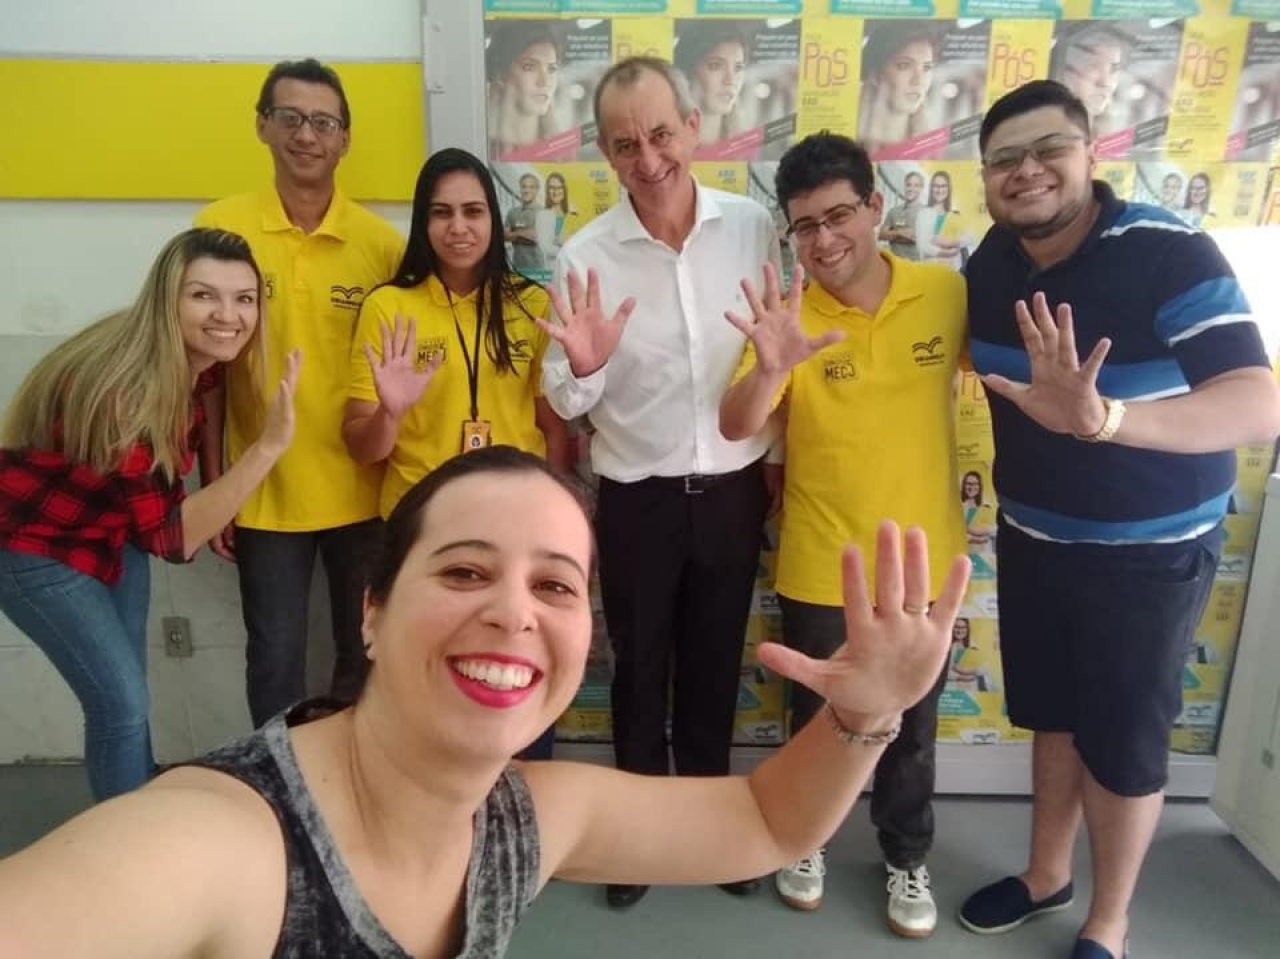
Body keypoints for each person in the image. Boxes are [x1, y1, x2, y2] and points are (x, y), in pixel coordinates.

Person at [0, 445, 970, 958]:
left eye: (554, 584)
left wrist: (864, 714)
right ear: (372, 609)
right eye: (464, 569)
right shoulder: (226, 839)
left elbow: (763, 821)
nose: (513, 612)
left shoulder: (520, 820)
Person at [959, 80, 1280, 959]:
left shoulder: (1167, 252)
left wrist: (1105, 420)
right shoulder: (992, 261)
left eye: (1047, 148)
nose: (1027, 171)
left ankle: (1110, 921)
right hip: (1034, 539)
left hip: (1150, 556)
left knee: (1125, 745)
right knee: (1054, 718)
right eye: (1004, 159)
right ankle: (1044, 875)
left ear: (1091, 153)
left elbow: (1257, 404)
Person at [539, 56, 781, 909]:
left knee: (715, 669)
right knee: (639, 674)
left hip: (734, 490)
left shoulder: (752, 227)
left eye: (661, 134)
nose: (647, 159)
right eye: (624, 144)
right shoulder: (585, 255)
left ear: (694, 127)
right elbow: (564, 400)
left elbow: (777, 351)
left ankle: (714, 835)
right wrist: (584, 367)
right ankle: (636, 840)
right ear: (605, 152)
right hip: (637, 499)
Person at [719, 132, 967, 938]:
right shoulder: (787, 317)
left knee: (912, 730)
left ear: (874, 207)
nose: (823, 241)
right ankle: (805, 840)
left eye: (837, 216)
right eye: (804, 226)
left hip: (924, 567)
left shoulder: (945, 294)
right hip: (822, 561)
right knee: (817, 722)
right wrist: (768, 368)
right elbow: (736, 424)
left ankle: (906, 854)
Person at [0, 228, 299, 801]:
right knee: (121, 704)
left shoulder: (190, 357)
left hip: (110, 537)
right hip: (36, 551)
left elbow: (210, 389)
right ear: (167, 298)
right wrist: (266, 448)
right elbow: (172, 539)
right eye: (204, 295)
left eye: (244, 298)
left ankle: (136, 806)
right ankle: (127, 835)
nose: (228, 316)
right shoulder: (128, 392)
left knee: (127, 694)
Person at [195, 59, 404, 729]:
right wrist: (216, 484)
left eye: (323, 122)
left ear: (345, 138)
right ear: (262, 126)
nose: (306, 135)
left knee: (365, 656)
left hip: (364, 491)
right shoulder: (222, 231)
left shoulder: (382, 247)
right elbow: (205, 375)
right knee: (274, 661)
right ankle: (275, 779)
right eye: (289, 118)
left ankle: (354, 776)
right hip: (264, 494)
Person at [858, 23, 938, 155]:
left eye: (927, 67)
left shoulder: (933, 150)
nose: (919, 81)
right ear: (876, 75)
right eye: (904, 65)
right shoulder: (849, 141)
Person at [486, 22, 563, 158]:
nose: (545, 82)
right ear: (502, 75)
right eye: (530, 67)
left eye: (552, 69)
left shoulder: (564, 153)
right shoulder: (484, 150)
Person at [674, 22, 749, 148]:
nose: (730, 80)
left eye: (738, 68)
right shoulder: (663, 147)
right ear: (687, 72)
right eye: (716, 66)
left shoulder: (747, 149)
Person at [1050, 23, 1128, 136]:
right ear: (1062, 70)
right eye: (1092, 65)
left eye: (1114, 69)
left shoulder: (1115, 136)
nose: (1105, 82)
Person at [915, 171, 969, 269]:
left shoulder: (955, 215)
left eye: (943, 186)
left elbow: (969, 239)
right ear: (931, 188)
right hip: (930, 269)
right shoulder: (923, 214)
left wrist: (949, 242)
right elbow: (922, 246)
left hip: (952, 270)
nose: (939, 190)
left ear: (949, 188)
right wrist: (947, 253)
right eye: (936, 186)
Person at [504, 172, 546, 274]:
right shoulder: (512, 212)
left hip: (538, 270)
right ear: (520, 188)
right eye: (524, 186)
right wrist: (524, 234)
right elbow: (504, 236)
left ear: (537, 190)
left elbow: (536, 237)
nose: (527, 190)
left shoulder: (543, 212)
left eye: (531, 187)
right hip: (517, 269)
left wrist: (515, 234)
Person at [878, 169, 925, 259]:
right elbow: (881, 235)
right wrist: (900, 233)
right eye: (908, 185)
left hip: (916, 264)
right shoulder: (893, 211)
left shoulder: (926, 212)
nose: (911, 189)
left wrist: (892, 234)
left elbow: (920, 239)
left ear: (921, 188)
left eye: (916, 185)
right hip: (895, 263)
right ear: (905, 186)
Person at [537, 171, 579, 260]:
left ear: (564, 190)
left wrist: (564, 241)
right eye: (552, 188)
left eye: (559, 188)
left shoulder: (574, 216)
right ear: (547, 190)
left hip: (570, 264)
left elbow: (579, 245)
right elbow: (545, 248)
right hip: (550, 265)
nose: (555, 192)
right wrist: (567, 242)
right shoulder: (542, 215)